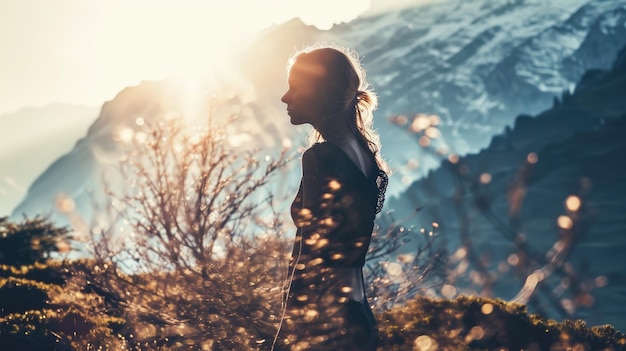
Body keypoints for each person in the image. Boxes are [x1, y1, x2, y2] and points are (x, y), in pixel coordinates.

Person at [272, 46, 389, 351]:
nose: (286, 97)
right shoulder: (366, 157)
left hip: (323, 323)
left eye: (295, 88)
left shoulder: (322, 157)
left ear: (320, 93)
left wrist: (285, 337)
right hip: (358, 317)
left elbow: (308, 256)